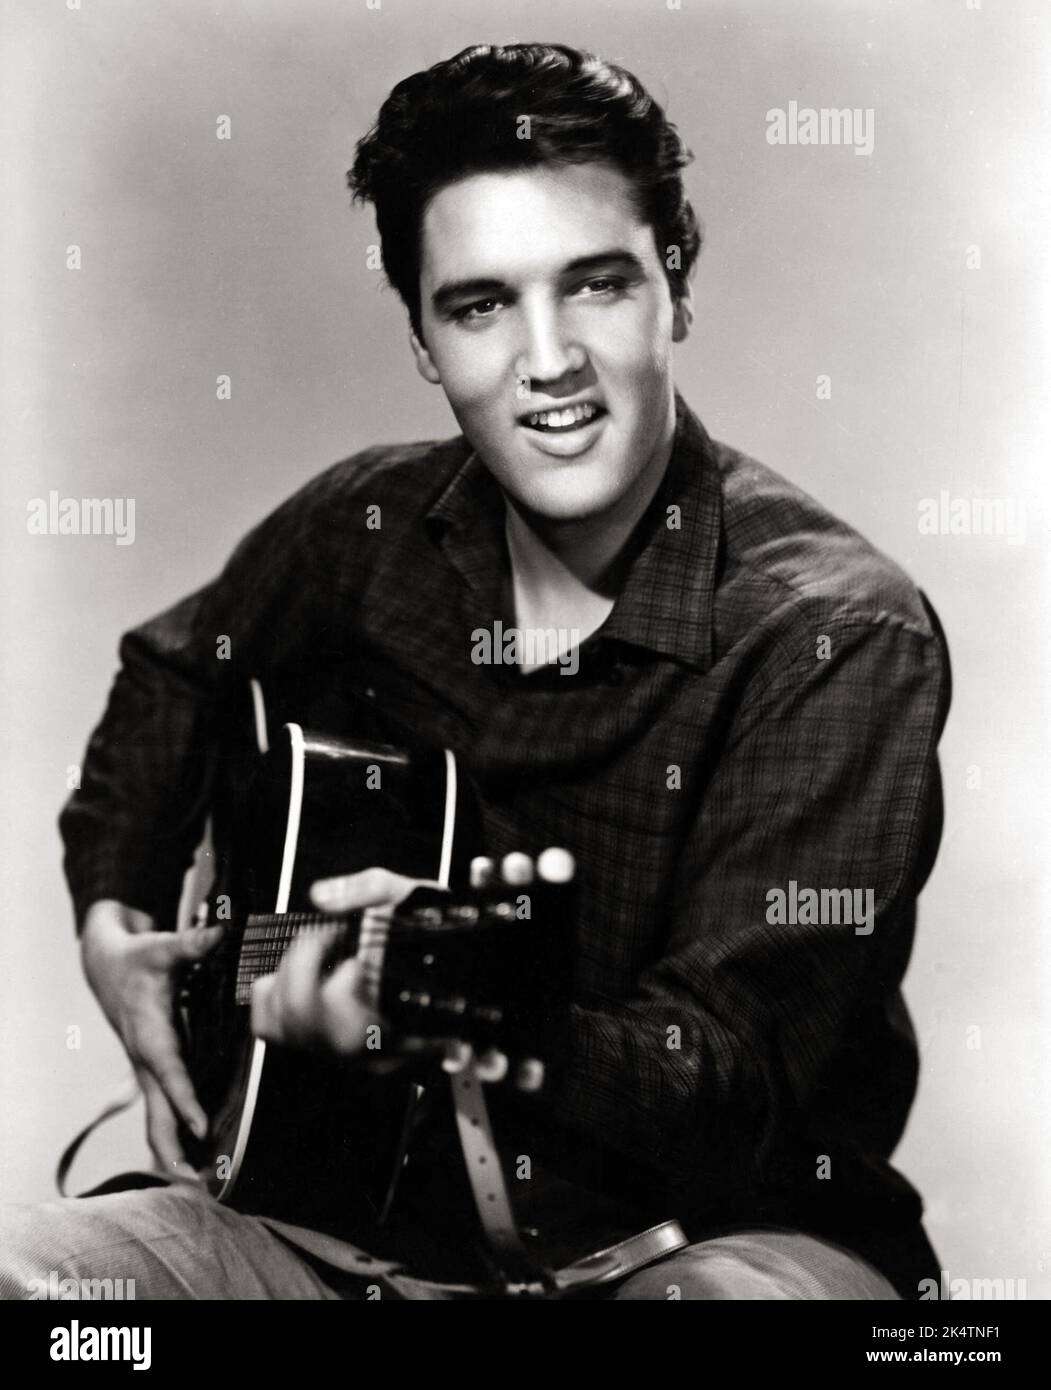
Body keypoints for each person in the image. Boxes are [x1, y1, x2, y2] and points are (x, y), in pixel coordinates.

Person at [2, 42, 950, 1301]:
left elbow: (716, 1087)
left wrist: (427, 997)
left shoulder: (833, 633)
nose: (546, 358)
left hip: (708, 1241)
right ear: (422, 339)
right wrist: (116, 928)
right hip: (338, 1227)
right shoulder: (367, 531)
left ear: (676, 286)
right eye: (481, 303)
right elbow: (174, 679)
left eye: (596, 286)